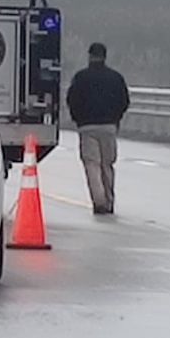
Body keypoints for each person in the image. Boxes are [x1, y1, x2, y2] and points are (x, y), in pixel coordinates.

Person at [67, 42, 130, 215]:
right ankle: (109, 201)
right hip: (109, 126)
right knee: (107, 165)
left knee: (92, 164)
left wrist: (78, 119)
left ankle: (99, 200)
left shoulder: (81, 77)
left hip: (87, 126)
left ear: (90, 56)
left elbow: (71, 100)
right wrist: (115, 118)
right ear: (105, 56)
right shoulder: (116, 78)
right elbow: (124, 101)